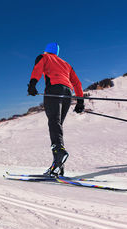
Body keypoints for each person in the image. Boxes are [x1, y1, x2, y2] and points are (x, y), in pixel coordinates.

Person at [27, 42, 85, 176]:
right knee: (57, 126)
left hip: (54, 89)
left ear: (46, 50)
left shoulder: (44, 57)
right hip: (67, 93)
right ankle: (58, 165)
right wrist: (80, 101)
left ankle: (59, 154)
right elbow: (77, 82)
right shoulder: (66, 64)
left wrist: (32, 84)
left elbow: (38, 69)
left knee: (54, 122)